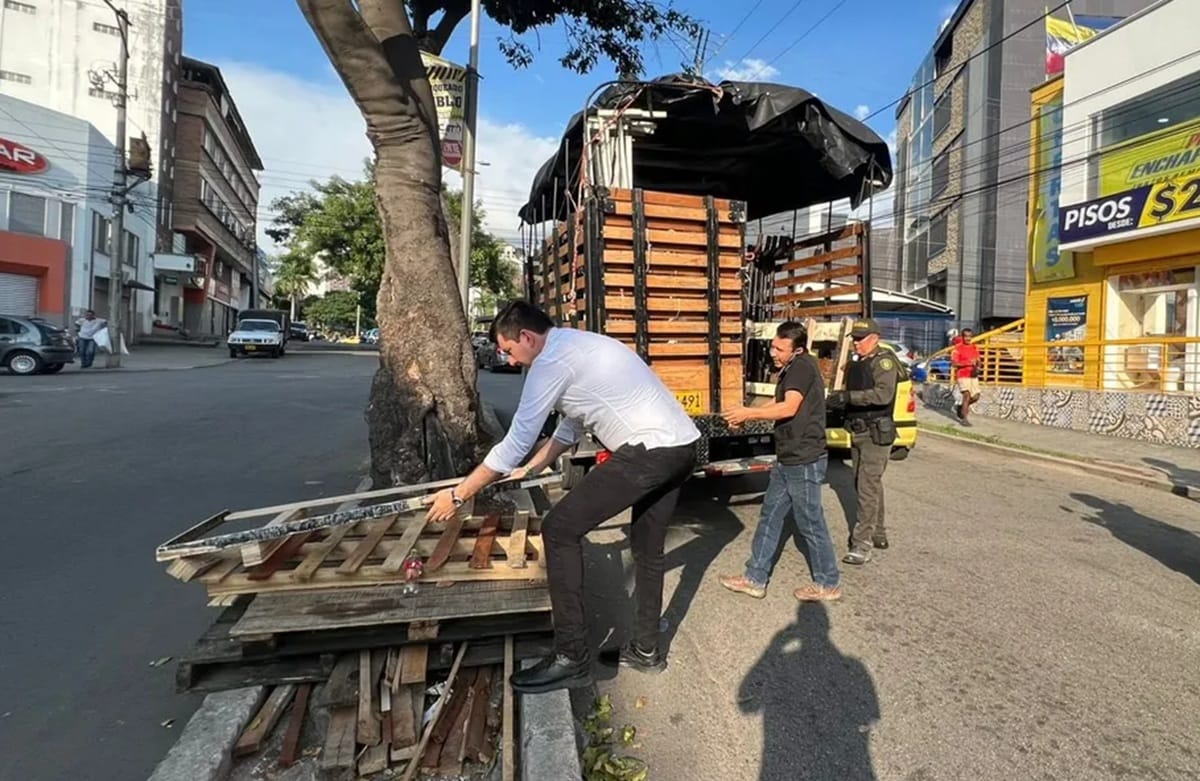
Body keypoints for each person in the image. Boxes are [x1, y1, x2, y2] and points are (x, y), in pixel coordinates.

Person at [425, 300, 700, 694]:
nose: (510, 359)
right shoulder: (578, 345)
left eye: (508, 349)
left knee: (559, 529)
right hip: (682, 447)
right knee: (646, 548)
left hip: (649, 452)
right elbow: (571, 423)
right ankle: (645, 649)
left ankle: (571, 657)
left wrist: (457, 493)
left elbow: (514, 441)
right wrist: (535, 467)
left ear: (527, 337)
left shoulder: (551, 362)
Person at [717, 321, 842, 602]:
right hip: (788, 458)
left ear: (797, 349)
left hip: (804, 459)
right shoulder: (790, 368)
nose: (773, 352)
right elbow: (777, 405)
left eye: (779, 348)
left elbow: (789, 407)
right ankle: (754, 578)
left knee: (810, 522)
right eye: (773, 346)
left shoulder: (801, 367)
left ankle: (829, 583)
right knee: (770, 517)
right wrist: (746, 415)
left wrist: (747, 414)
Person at [826, 318, 901, 565]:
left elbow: (883, 394)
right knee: (867, 484)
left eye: (861, 339)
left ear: (875, 338)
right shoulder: (861, 362)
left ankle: (862, 545)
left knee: (867, 487)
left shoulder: (884, 362)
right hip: (859, 431)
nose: (856, 344)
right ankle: (878, 533)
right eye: (854, 339)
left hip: (875, 433)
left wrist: (848, 397)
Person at [951, 328, 981, 426]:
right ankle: (964, 419)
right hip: (962, 375)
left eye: (970, 336)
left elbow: (978, 360)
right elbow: (954, 363)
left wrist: (978, 367)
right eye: (966, 336)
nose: (968, 338)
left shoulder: (974, 347)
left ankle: (961, 408)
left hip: (973, 375)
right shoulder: (957, 348)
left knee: (976, 396)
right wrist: (967, 363)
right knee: (966, 395)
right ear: (962, 337)